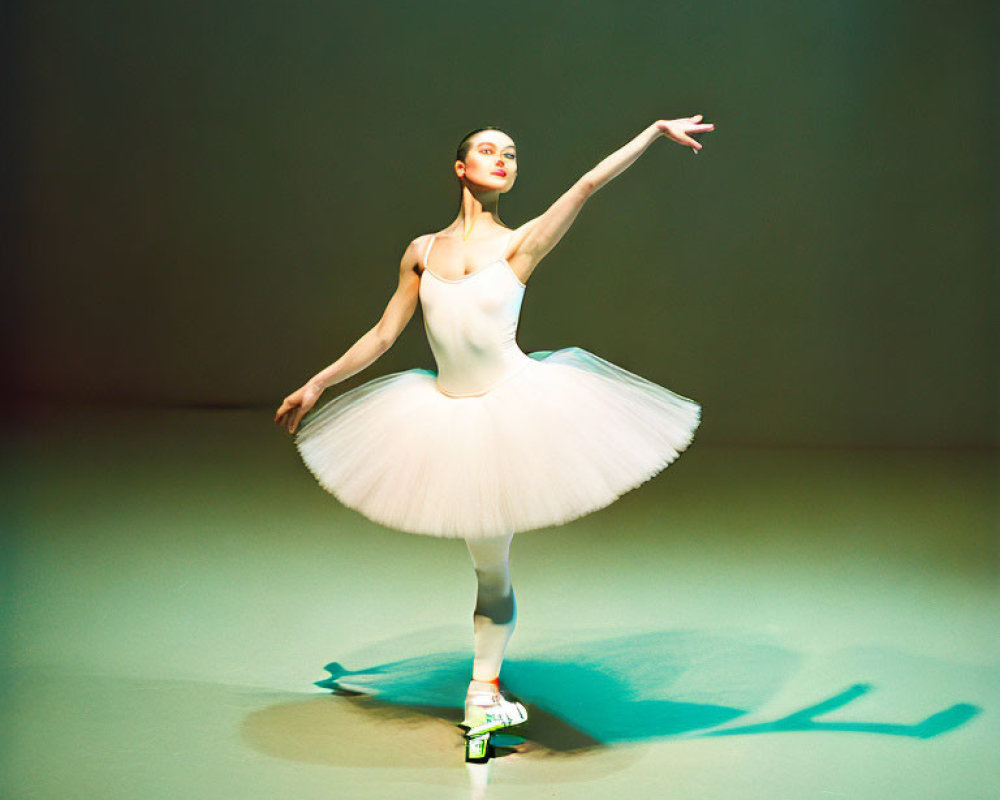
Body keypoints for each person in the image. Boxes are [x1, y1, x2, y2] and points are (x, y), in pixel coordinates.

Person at [274, 115, 714, 742]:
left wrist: (651, 133)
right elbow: (381, 335)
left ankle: (483, 689)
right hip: (445, 417)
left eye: (511, 153)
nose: (502, 159)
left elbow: (587, 184)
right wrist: (318, 382)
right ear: (461, 167)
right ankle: (483, 693)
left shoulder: (522, 243)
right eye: (488, 150)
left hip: (511, 411)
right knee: (488, 571)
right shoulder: (422, 252)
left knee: (493, 570)